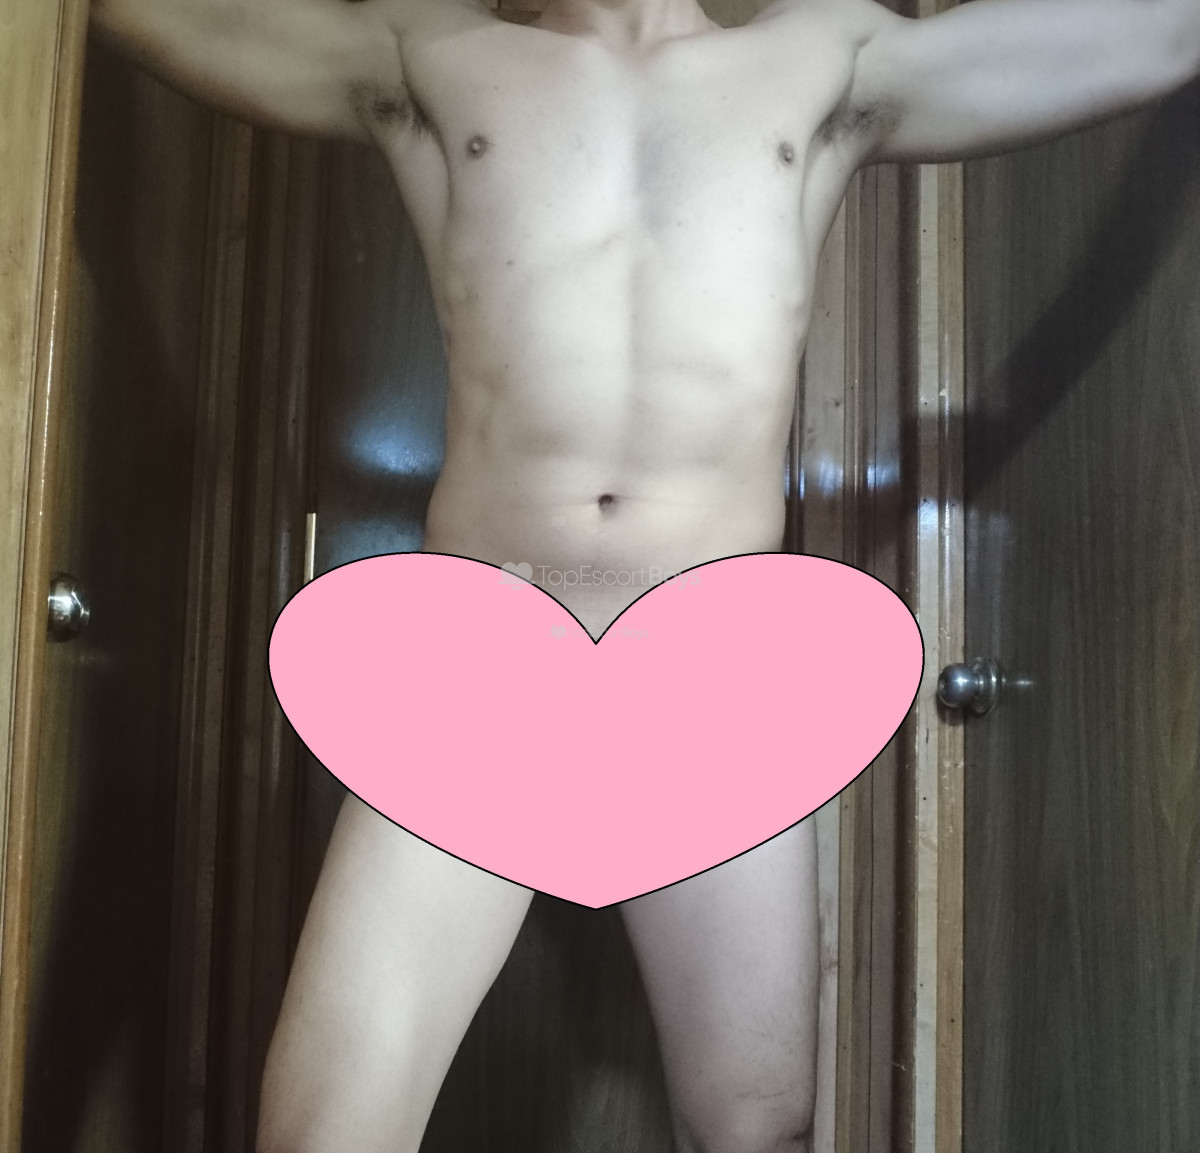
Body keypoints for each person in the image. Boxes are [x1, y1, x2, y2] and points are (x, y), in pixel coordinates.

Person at [87, 0, 1200, 1149]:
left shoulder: (823, 58)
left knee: (757, 1127)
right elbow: (141, 18)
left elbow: (1159, 36)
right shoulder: (433, 53)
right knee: (323, 1130)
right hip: (484, 645)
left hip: (708, 658)